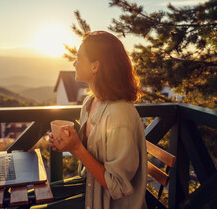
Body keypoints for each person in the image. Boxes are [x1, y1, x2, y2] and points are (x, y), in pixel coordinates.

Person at [49, 31, 148, 209]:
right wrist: (69, 144)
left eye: (79, 58)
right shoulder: (90, 102)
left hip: (107, 202)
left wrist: (77, 149)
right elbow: (93, 156)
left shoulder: (119, 116)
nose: (74, 63)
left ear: (95, 66)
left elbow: (117, 186)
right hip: (91, 188)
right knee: (27, 197)